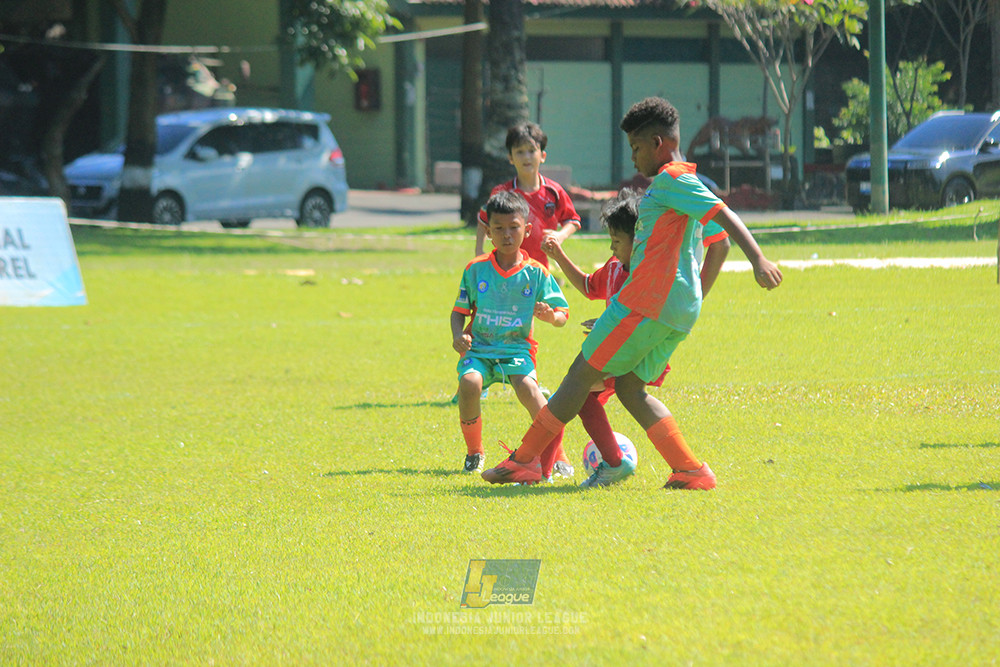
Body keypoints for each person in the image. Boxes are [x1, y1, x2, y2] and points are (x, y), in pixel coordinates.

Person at [482, 96, 783, 489]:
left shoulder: (675, 179)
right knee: (628, 386)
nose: (634, 159)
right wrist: (690, 301)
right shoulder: (682, 186)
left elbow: (725, 218)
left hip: (644, 303)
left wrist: (758, 258)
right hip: (675, 311)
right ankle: (691, 470)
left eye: (636, 148)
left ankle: (526, 461)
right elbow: (718, 243)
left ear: (658, 142)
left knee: (579, 373)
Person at [541, 187, 731, 487]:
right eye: (611, 241)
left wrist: (609, 328)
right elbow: (590, 286)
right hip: (614, 351)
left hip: (631, 353)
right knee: (580, 397)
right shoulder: (615, 268)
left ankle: (575, 465)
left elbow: (645, 316)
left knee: (569, 394)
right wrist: (559, 255)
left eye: (617, 242)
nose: (612, 249)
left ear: (641, 241)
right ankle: (559, 467)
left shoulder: (652, 277)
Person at [452, 190, 571, 479]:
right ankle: (474, 452)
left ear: (527, 230)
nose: (507, 235)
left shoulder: (537, 273)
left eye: (514, 228)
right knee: (469, 384)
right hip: (480, 349)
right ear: (489, 232)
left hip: (517, 350)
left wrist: (549, 316)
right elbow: (459, 312)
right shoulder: (476, 269)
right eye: (499, 229)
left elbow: (562, 316)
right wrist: (458, 337)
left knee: (531, 392)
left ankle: (557, 455)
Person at [475, 122, 582, 269]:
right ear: (510, 158)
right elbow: (483, 219)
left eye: (531, 151)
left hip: (540, 269)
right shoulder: (502, 193)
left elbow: (573, 220)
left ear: (542, 156)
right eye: (520, 152)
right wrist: (478, 251)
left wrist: (560, 235)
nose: (526, 157)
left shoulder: (554, 191)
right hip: (506, 269)